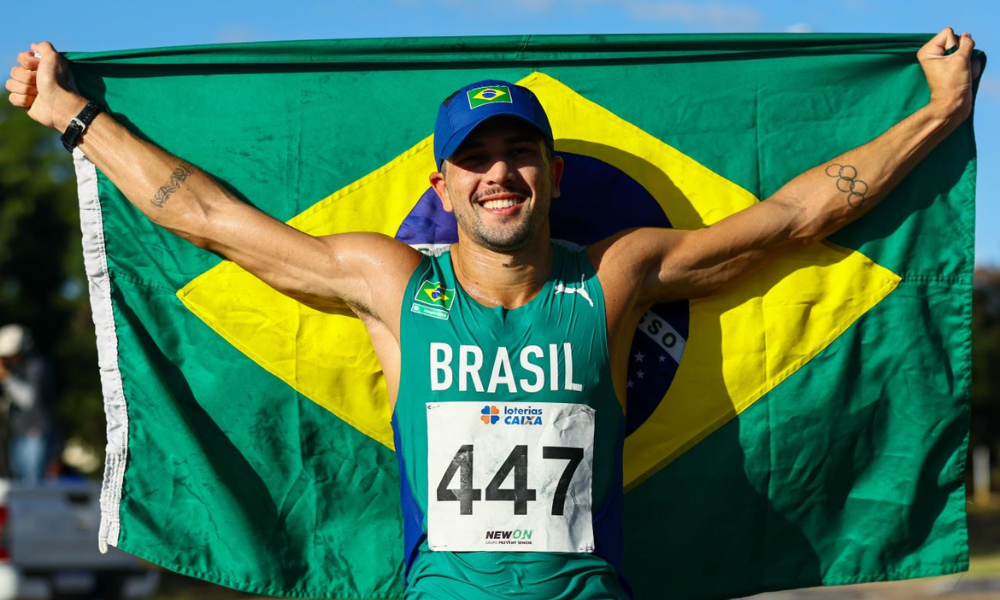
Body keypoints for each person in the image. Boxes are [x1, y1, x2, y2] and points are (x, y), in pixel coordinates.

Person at [4, 28, 980, 599]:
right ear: (444, 183)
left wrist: (935, 114)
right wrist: (78, 121)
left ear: (552, 175)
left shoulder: (613, 276)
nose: (499, 174)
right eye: (477, 159)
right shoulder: (392, 285)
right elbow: (214, 221)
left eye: (518, 155)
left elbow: (789, 218)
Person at [0, 324, 58, 485]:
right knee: (21, 482)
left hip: (37, 432)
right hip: (19, 432)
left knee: (33, 483)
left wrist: (6, 378)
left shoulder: (37, 366)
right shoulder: (16, 369)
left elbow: (29, 400)